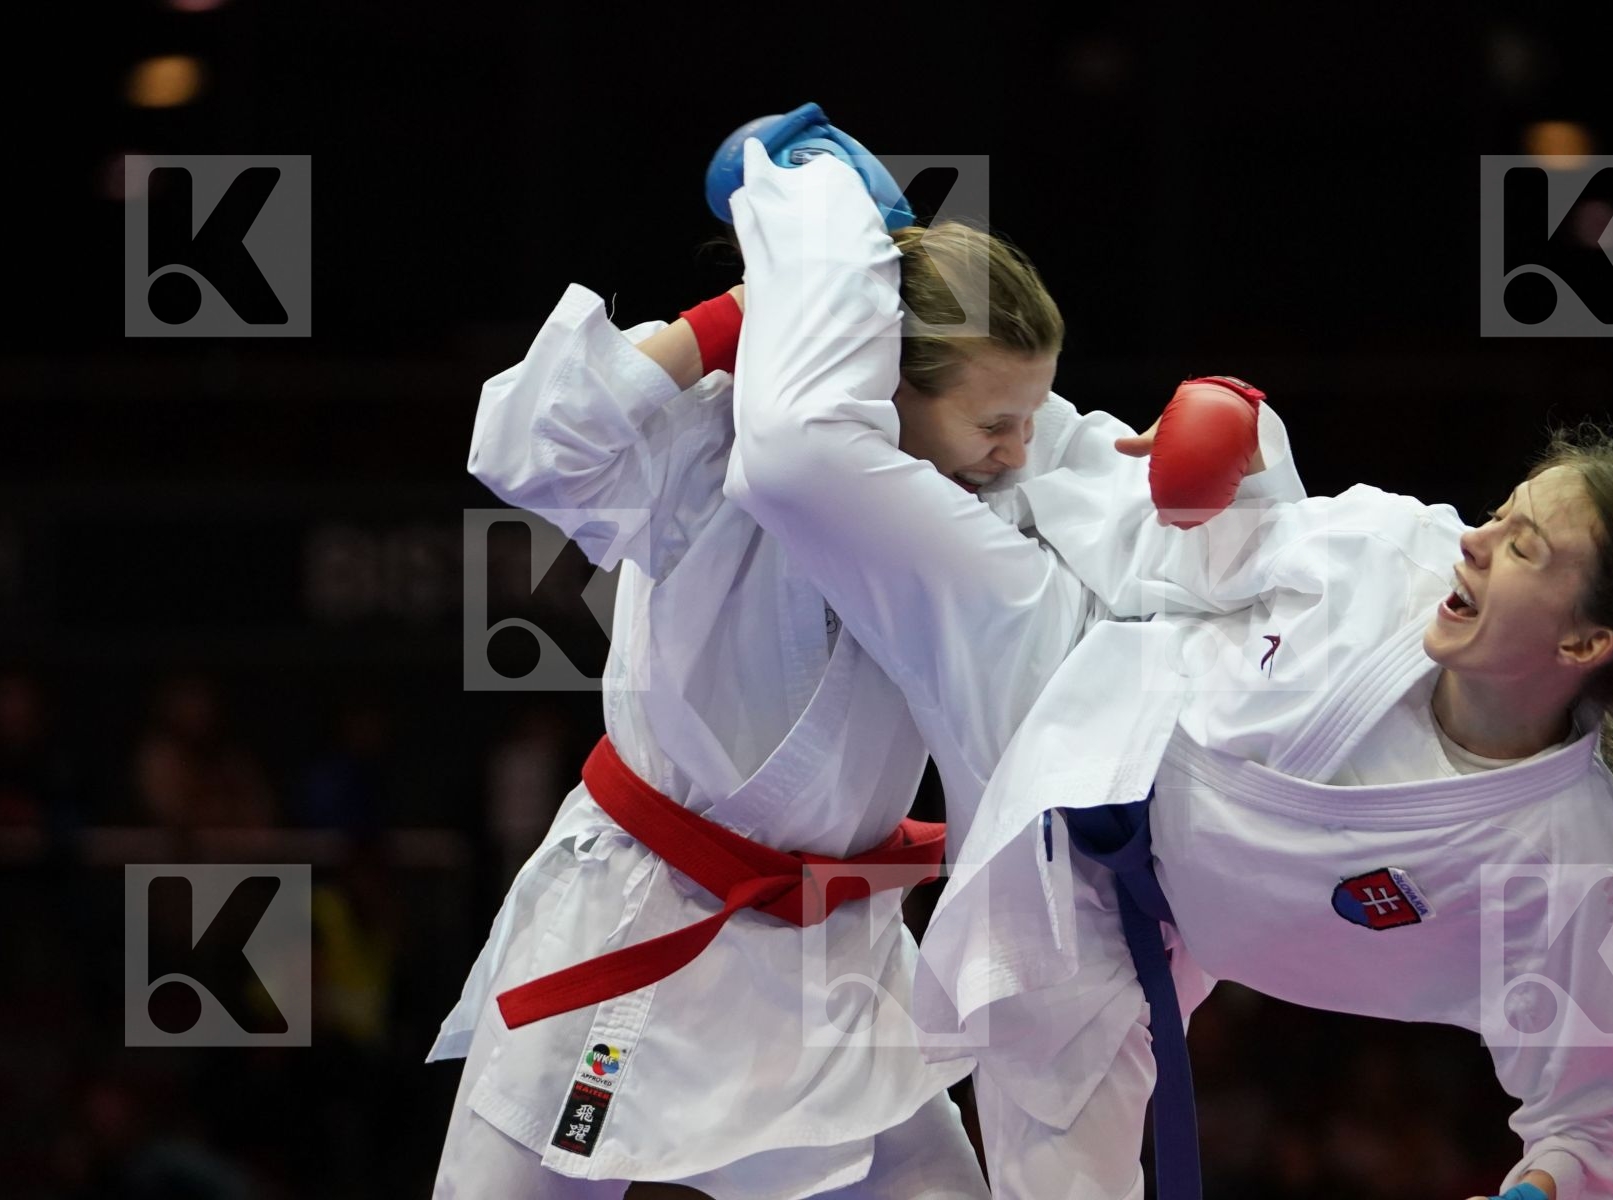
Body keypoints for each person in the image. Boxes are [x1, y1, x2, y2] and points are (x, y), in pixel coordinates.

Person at [720, 142, 1613, 1200]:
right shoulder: (1400, 554)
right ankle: (814, 196)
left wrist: (1535, 1191)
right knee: (804, 458)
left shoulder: (1570, 862)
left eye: (1521, 548)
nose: (1472, 540)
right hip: (1063, 660)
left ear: (1582, 646)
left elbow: (1598, 1124)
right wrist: (1237, 445)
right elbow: (1232, 540)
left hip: (1103, 930)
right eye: (1501, 514)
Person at [427, 105, 1136, 1200]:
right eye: (996, 419)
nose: (1019, 446)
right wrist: (742, 314)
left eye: (1032, 414)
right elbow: (525, 446)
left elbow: (1121, 512)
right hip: (644, 926)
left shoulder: (995, 503)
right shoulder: (729, 441)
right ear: (894, 387)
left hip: (835, 959)